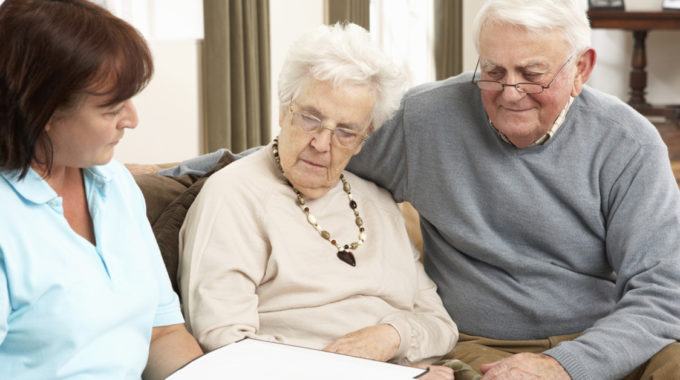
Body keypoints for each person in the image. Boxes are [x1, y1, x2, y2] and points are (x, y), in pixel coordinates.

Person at [160, 1, 680, 379]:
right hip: (480, 343)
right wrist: (182, 172)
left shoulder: (629, 143)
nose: (509, 92)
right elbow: (315, 144)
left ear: (580, 70)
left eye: (533, 75)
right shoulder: (428, 118)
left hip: (603, 336)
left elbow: (661, 295)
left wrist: (565, 366)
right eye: (493, 71)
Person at [177, 23, 465, 380]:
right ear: (284, 112)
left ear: (364, 140)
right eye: (311, 119)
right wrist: (352, 371)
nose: (322, 144)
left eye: (345, 131)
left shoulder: (378, 203)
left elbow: (440, 325)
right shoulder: (233, 196)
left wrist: (391, 337)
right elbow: (224, 343)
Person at [0, 1, 203, 379]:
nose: (132, 120)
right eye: (112, 109)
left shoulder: (114, 184)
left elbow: (162, 334)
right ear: (42, 111)